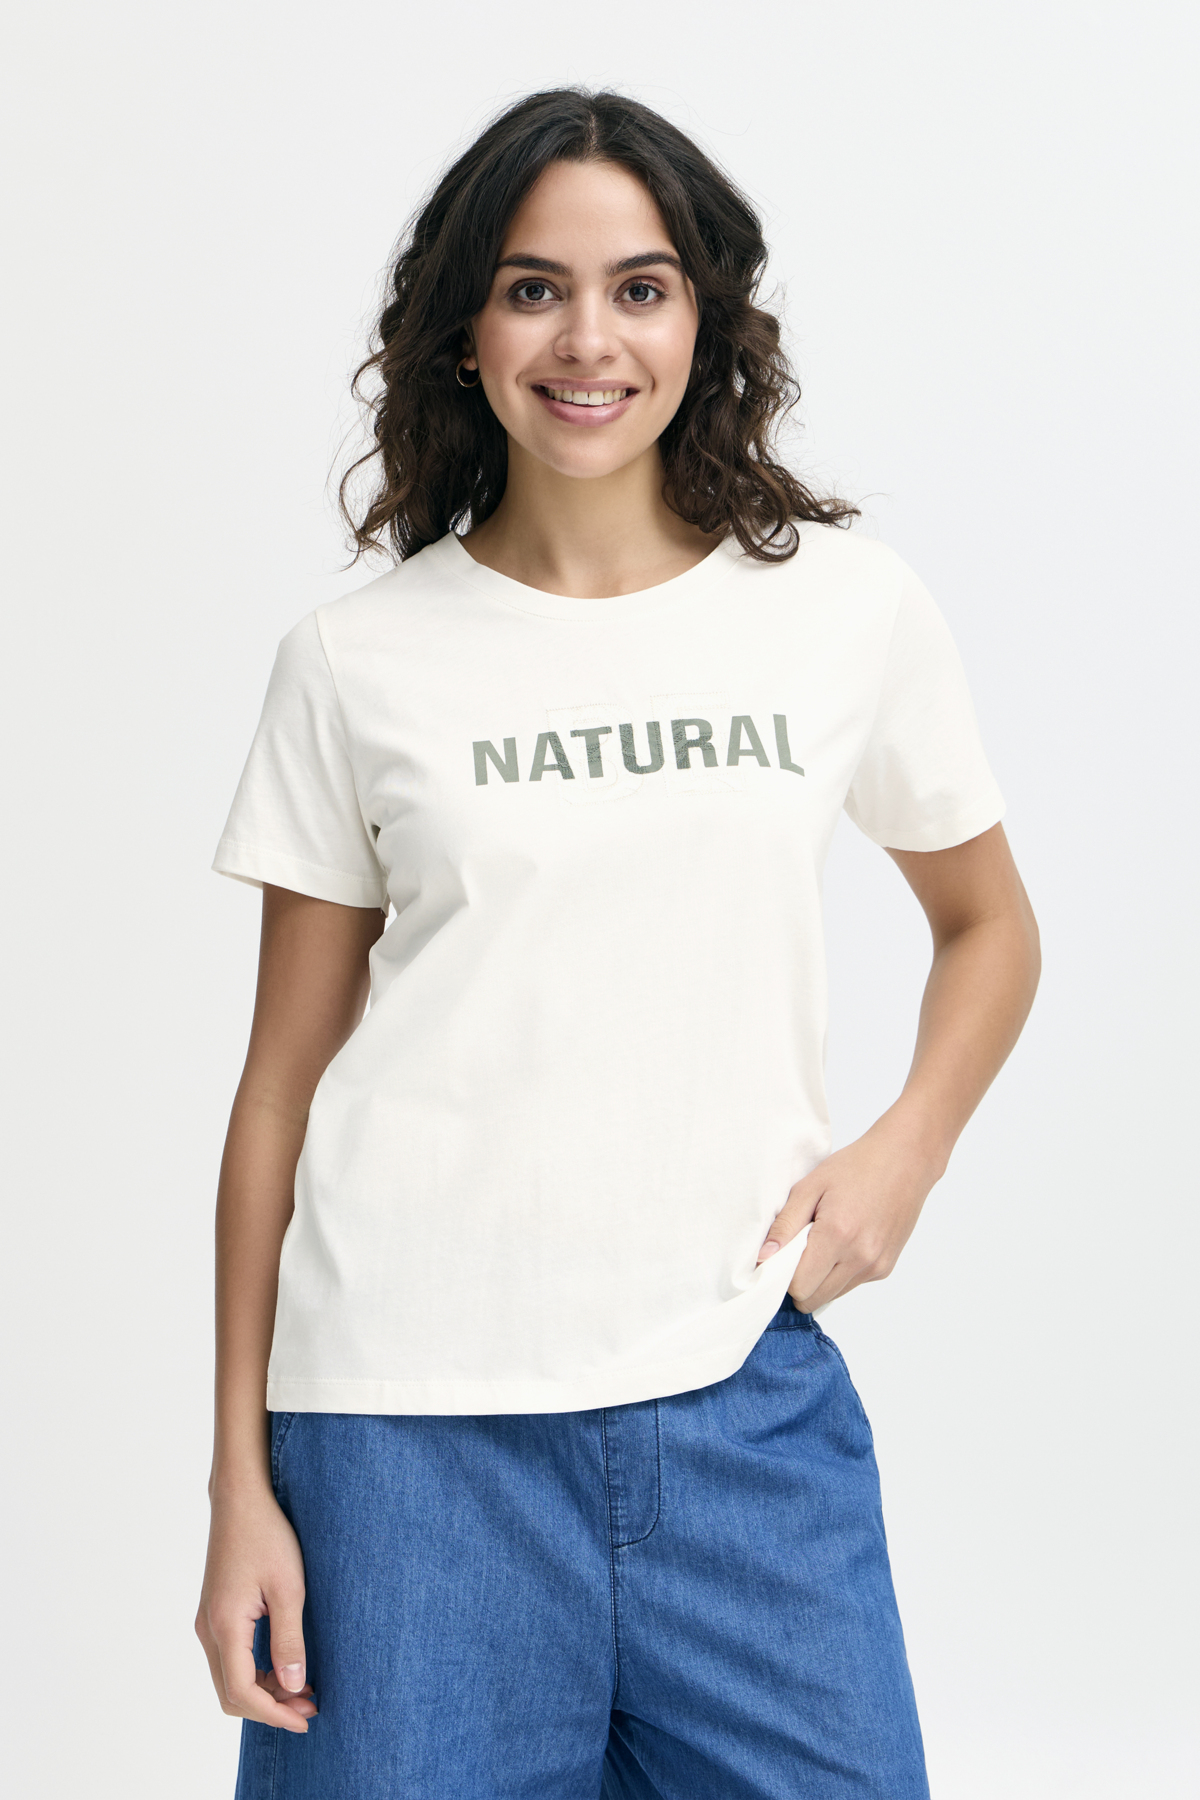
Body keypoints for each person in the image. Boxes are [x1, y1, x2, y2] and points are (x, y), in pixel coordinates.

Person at [195, 87, 1040, 1800]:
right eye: (535, 289)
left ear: (704, 319)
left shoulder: (841, 612)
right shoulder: (356, 664)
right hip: (404, 1442)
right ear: (465, 332)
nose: (590, 340)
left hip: (739, 1398)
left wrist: (906, 1154)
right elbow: (279, 1090)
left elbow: (989, 926)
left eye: (640, 288)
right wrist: (239, 1486)